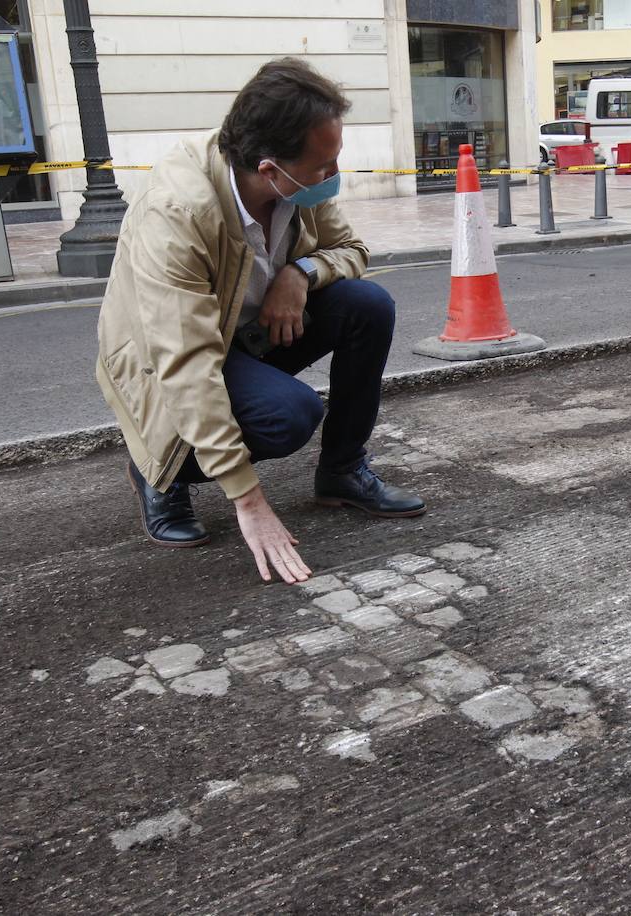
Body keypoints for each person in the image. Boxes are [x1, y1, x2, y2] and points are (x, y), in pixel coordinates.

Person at [95, 58, 425, 585]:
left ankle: (341, 472)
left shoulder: (299, 188)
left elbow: (352, 250)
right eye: (324, 167)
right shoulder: (178, 213)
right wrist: (249, 501)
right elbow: (187, 361)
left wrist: (299, 272)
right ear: (271, 169)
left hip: (248, 332)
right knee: (288, 416)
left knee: (368, 304)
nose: (334, 178)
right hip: (170, 358)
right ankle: (160, 469)